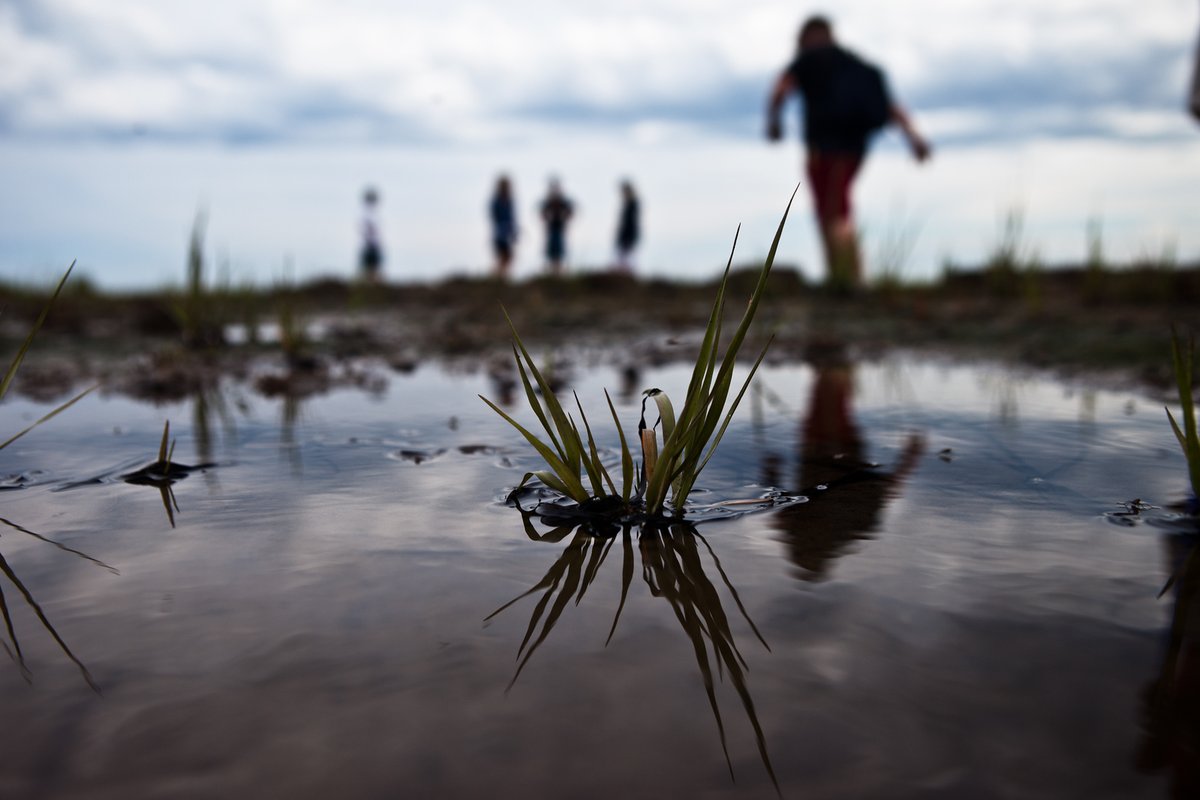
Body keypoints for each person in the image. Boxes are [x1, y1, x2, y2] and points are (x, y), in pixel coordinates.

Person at [766, 15, 930, 291]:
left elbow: (781, 89)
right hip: (855, 151)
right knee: (837, 209)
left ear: (809, 36)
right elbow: (891, 108)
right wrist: (914, 139)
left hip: (825, 152)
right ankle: (846, 277)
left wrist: (774, 122)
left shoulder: (808, 61)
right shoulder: (858, 67)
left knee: (833, 213)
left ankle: (847, 280)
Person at [539, 178, 574, 276]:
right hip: (551, 230)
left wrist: (564, 217)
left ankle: (557, 273)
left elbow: (570, 213)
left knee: (558, 253)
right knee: (552, 253)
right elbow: (543, 215)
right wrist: (548, 217)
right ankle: (553, 273)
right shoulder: (548, 202)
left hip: (560, 229)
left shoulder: (563, 202)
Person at [489, 175, 519, 279]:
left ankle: (500, 276)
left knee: (507, 257)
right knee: (505, 256)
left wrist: (514, 232)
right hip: (500, 234)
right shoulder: (497, 201)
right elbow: (495, 217)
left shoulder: (508, 200)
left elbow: (512, 218)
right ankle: (497, 276)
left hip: (505, 233)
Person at [613, 180, 640, 273]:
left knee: (627, 257)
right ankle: (623, 273)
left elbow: (630, 222)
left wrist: (628, 236)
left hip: (629, 235)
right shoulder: (627, 204)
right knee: (622, 257)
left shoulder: (633, 204)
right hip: (625, 234)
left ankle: (626, 274)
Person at [358, 186, 383, 284]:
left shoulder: (372, 213)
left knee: (372, 271)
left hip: (372, 245)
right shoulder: (368, 214)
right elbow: (367, 230)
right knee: (370, 271)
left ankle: (371, 288)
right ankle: (370, 288)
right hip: (370, 246)